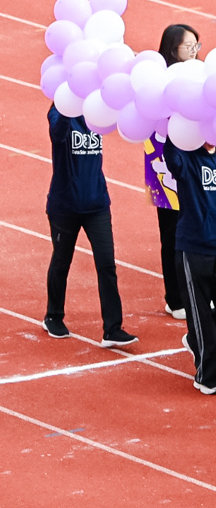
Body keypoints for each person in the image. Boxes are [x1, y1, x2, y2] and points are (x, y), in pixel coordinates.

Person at [162, 133, 216, 394]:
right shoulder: (185, 154)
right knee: (199, 313)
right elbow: (171, 156)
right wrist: (175, 129)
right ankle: (208, 376)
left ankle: (196, 342)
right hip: (193, 246)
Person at [44, 105, 134, 347]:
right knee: (61, 261)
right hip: (65, 205)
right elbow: (58, 134)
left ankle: (112, 328)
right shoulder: (59, 111)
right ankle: (53, 315)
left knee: (107, 264)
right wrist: (66, 107)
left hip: (97, 204)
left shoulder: (96, 111)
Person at [150, 26, 201, 320]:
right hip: (164, 170)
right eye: (188, 46)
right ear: (172, 49)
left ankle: (195, 292)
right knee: (171, 235)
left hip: (194, 168)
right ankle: (175, 297)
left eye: (196, 45)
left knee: (196, 231)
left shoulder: (198, 78)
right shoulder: (159, 81)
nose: (194, 51)